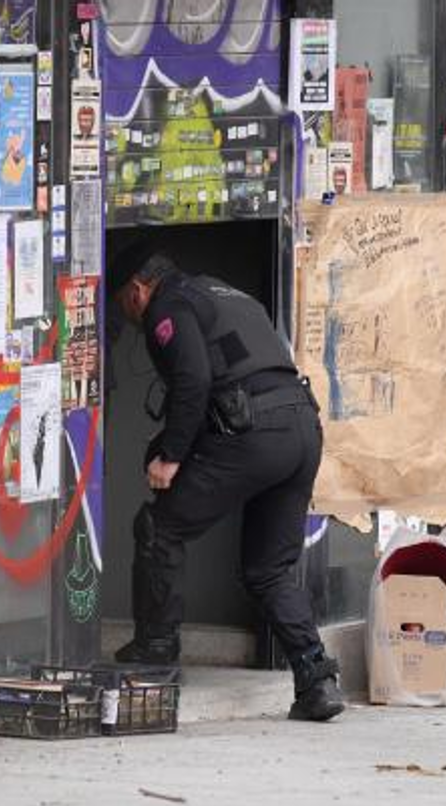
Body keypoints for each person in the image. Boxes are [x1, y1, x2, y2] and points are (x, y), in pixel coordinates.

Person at [107, 243, 345, 722]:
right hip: (301, 429)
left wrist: (171, 457)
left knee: (159, 527)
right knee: (269, 569)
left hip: (253, 434)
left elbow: (194, 381)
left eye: (122, 306)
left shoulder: (166, 307)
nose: (128, 317)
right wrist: (169, 442)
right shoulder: (226, 294)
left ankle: (156, 652)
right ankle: (316, 680)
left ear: (136, 291)